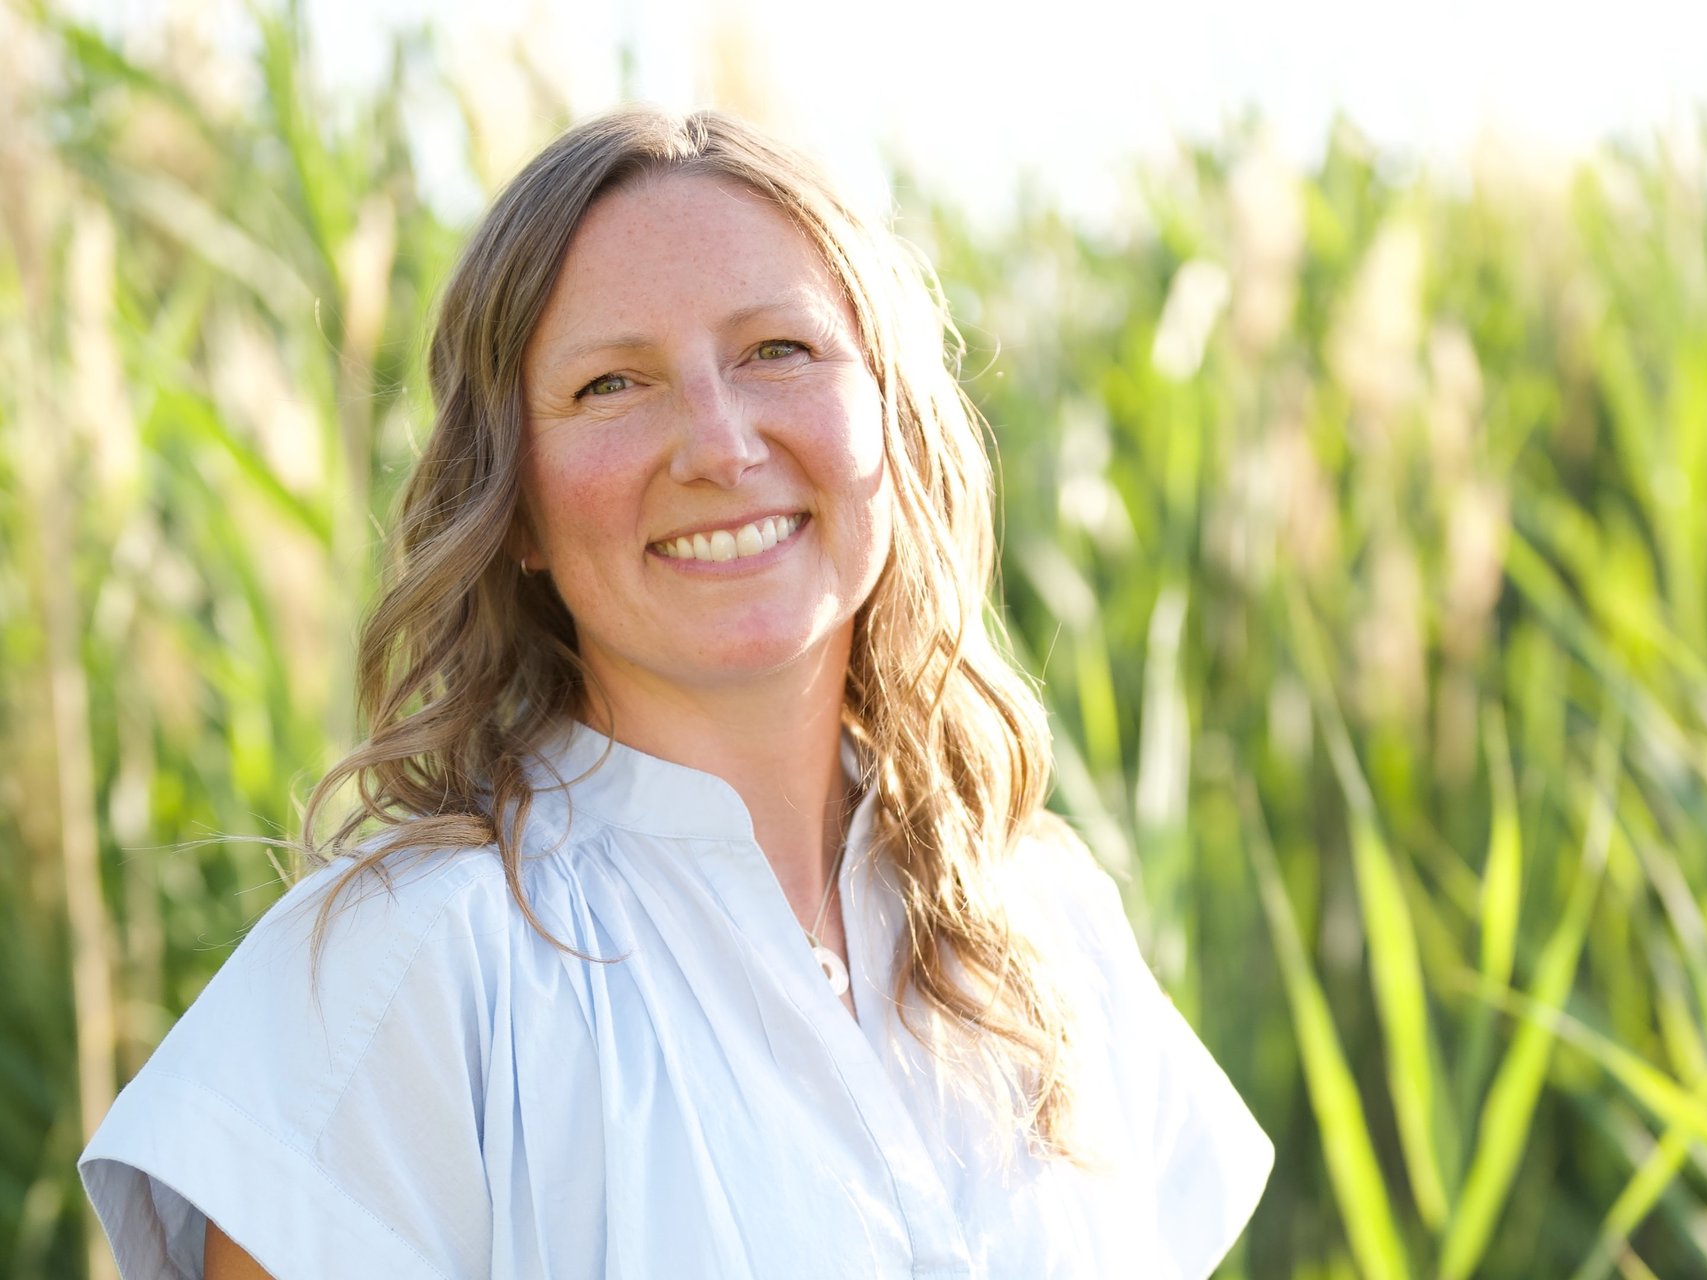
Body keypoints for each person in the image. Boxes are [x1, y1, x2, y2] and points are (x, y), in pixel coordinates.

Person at [78, 105, 1273, 1279]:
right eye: (611, 384)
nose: (717, 442)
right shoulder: (415, 963)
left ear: (891, 420)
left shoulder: (1044, 923)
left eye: (778, 350)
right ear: (518, 504)